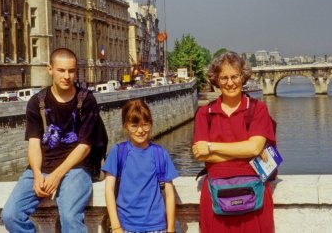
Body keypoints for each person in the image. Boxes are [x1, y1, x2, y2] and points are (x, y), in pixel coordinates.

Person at [1, 48, 102, 233]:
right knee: (11, 215)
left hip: (76, 167)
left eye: (71, 71)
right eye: (61, 70)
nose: (67, 76)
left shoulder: (86, 100)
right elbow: (34, 143)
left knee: (70, 217)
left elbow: (85, 146)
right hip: (44, 167)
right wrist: (38, 174)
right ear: (50, 69)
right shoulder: (37, 102)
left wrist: (56, 175)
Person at [192, 52, 276, 232]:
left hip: (254, 196)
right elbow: (199, 154)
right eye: (224, 78)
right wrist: (244, 153)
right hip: (216, 197)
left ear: (243, 77)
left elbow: (254, 148)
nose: (230, 83)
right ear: (216, 80)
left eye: (235, 76)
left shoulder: (257, 109)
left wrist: (211, 147)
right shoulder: (205, 114)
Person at [102, 99, 178, 233]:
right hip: (125, 226)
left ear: (151, 124)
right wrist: (116, 226)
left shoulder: (160, 154)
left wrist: (171, 229)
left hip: (157, 226)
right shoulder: (118, 152)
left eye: (145, 125)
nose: (140, 130)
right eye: (134, 125)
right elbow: (109, 190)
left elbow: (170, 194)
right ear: (125, 126)